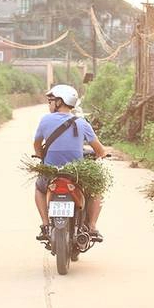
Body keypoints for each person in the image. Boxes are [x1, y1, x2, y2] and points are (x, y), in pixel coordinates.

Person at [33, 84, 106, 240]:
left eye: (51, 101)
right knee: (96, 189)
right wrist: (102, 154)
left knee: (40, 189)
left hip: (51, 172)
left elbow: (37, 145)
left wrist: (41, 157)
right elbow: (99, 150)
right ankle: (92, 227)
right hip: (76, 174)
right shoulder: (82, 123)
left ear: (59, 102)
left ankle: (45, 225)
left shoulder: (45, 120)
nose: (50, 104)